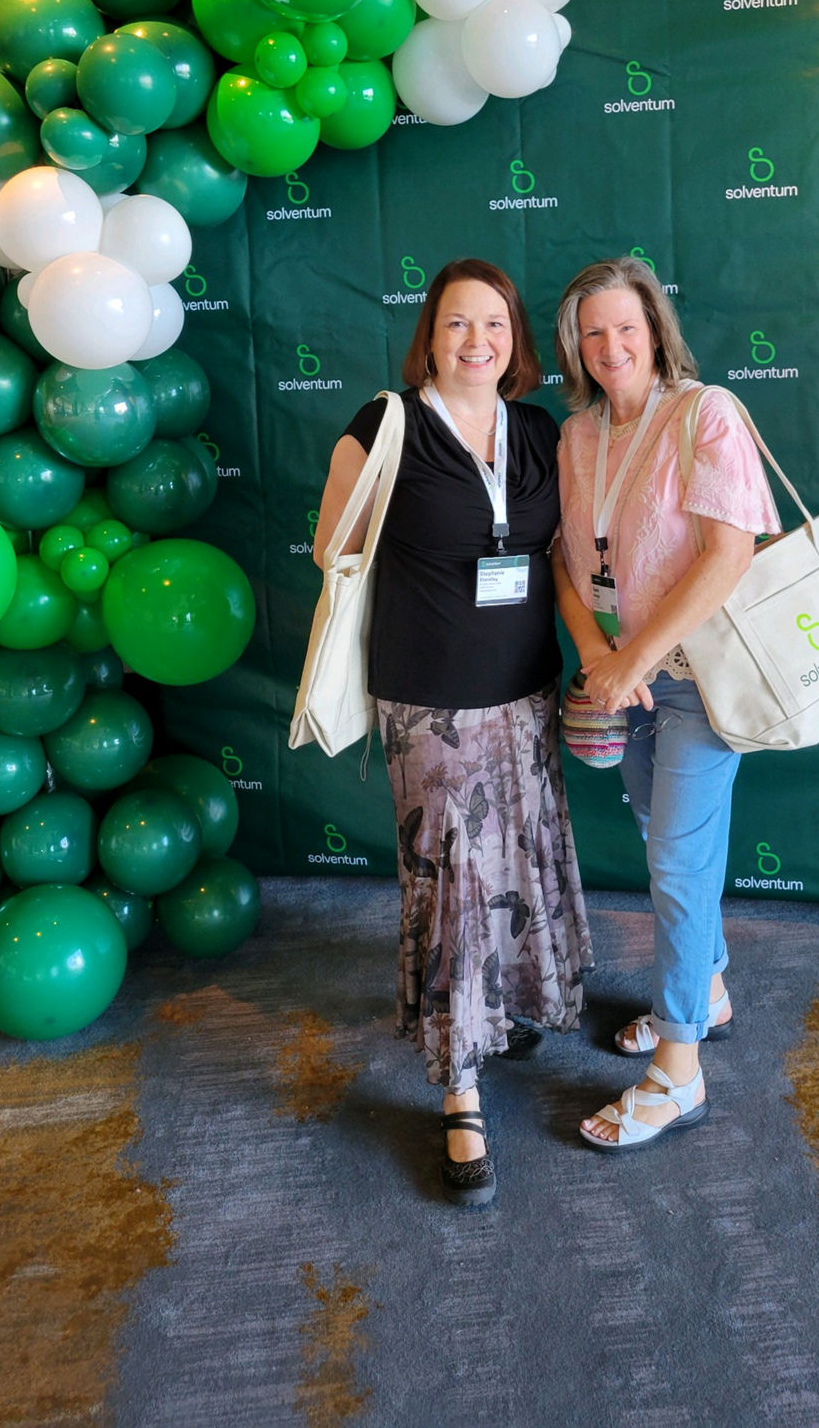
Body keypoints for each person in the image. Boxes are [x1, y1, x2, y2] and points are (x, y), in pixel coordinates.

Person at [313, 258, 592, 1205]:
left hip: (525, 692)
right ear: (429, 336)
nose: (478, 342)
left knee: (513, 860)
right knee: (450, 879)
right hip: (428, 698)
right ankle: (460, 1090)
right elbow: (332, 549)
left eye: (497, 327)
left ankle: (499, 1012)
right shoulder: (383, 425)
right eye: (459, 325)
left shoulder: (539, 432)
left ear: (516, 342)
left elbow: (556, 549)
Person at [551, 257, 780, 1150]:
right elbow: (566, 567)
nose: (611, 346)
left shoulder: (704, 413)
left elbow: (731, 555)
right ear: (575, 345)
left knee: (679, 872)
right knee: (658, 839)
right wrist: (601, 656)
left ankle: (679, 1071)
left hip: (694, 677)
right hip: (624, 679)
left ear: (655, 330)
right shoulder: (574, 437)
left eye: (625, 327)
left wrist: (635, 655)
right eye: (592, 332)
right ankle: (706, 989)